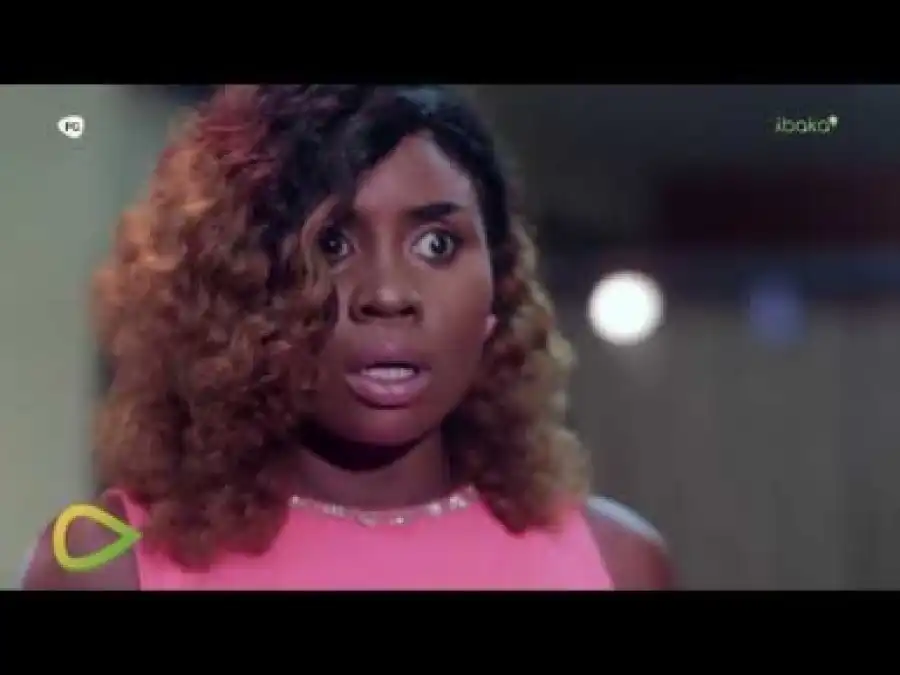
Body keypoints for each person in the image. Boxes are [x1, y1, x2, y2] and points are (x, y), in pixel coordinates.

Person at [23, 85, 673, 590]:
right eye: (332, 243)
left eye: (436, 244)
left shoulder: (614, 561)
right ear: (236, 286)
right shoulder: (106, 562)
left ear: (498, 292)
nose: (387, 294)